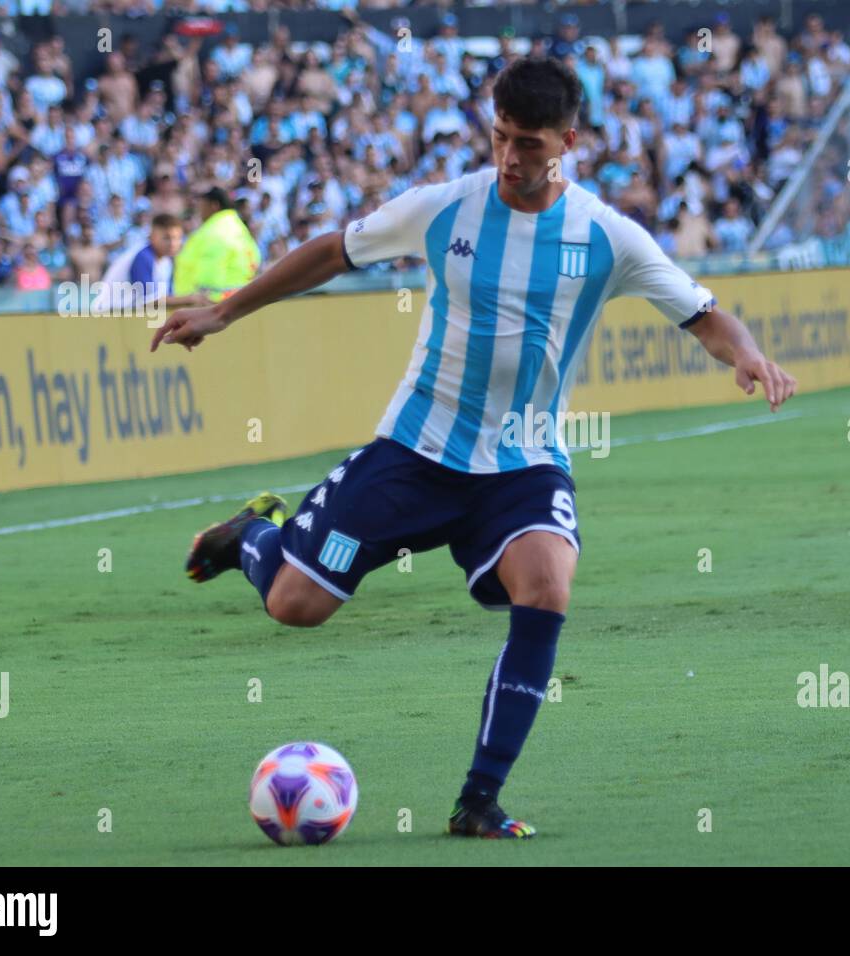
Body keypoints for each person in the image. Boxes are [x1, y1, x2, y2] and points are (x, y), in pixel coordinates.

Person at [149, 56, 796, 840]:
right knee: (294, 606)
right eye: (499, 138)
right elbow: (331, 251)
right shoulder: (443, 209)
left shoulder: (607, 236)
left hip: (521, 464)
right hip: (416, 450)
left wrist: (749, 355)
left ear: (570, 140)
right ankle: (251, 534)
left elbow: (705, 316)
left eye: (529, 143)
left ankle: (478, 800)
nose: (510, 159)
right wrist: (228, 310)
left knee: (547, 586)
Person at [95, 212, 208, 314]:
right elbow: (148, 302)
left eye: (177, 238)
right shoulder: (142, 257)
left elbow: (166, 299)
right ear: (152, 237)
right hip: (107, 315)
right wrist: (189, 299)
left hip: (126, 317)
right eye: (167, 238)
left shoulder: (166, 262)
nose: (173, 243)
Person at [172, 187, 261, 301]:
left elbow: (208, 279)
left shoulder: (215, 232)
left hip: (211, 306)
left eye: (202, 206)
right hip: (238, 303)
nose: (200, 211)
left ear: (214, 206)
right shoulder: (238, 228)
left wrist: (204, 300)